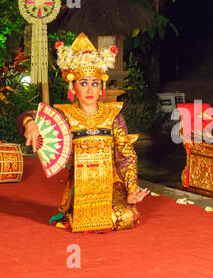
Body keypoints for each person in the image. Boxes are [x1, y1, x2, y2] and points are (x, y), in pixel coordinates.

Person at [17, 33, 149, 233]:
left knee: (125, 217)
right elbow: (27, 115)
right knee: (82, 218)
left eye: (94, 83)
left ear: (101, 87)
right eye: (83, 83)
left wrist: (131, 189)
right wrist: (31, 123)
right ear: (73, 86)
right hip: (80, 185)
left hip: (110, 183)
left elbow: (126, 154)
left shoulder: (114, 115)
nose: (89, 89)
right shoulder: (65, 114)